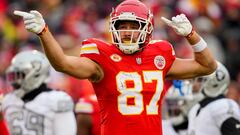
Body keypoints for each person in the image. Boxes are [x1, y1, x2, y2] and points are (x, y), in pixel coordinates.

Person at [13, 0, 217, 134]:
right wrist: (44, 32)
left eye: (133, 26)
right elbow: (62, 63)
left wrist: (192, 35)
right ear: (113, 28)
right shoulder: (102, 57)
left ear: (146, 28)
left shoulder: (159, 55)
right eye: (122, 26)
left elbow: (207, 66)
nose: (127, 32)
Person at [2, 50, 77, 135]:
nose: (15, 81)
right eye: (13, 76)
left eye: (20, 75)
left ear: (36, 74)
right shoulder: (8, 100)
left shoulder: (57, 100)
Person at [187, 62, 240, 135]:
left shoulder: (222, 106)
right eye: (193, 80)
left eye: (199, 80)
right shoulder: (195, 109)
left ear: (215, 82)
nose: (194, 85)